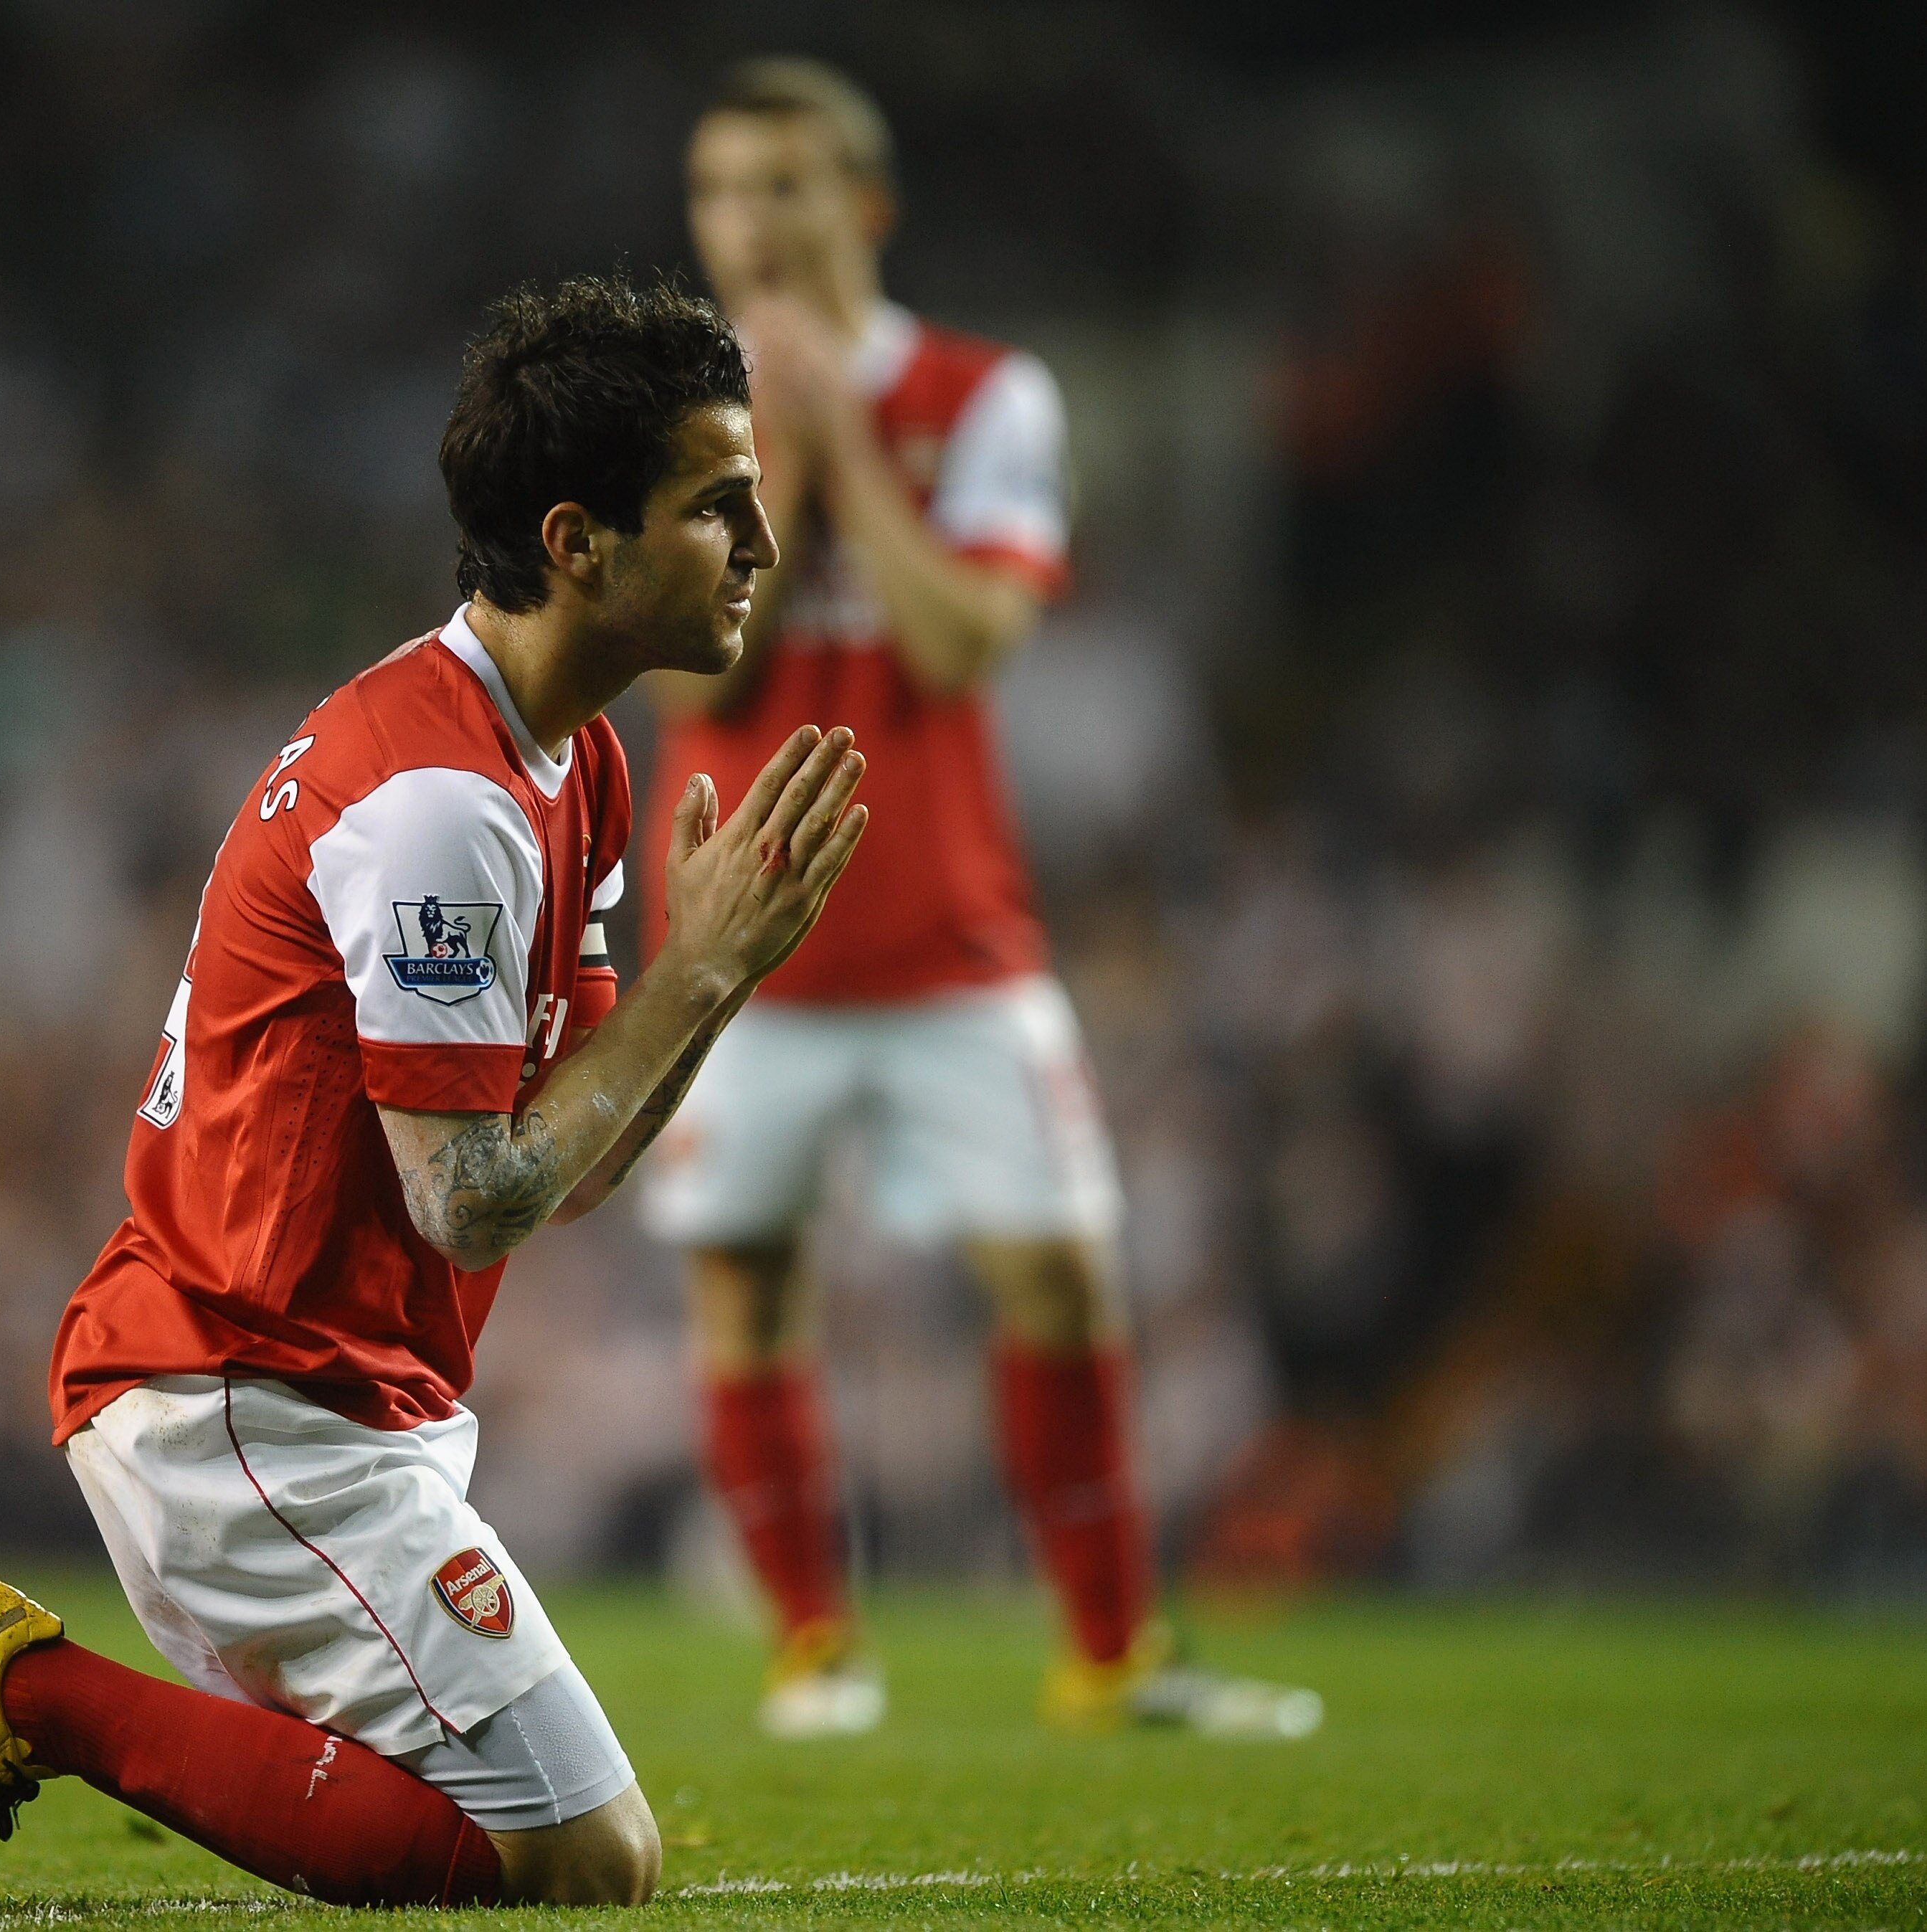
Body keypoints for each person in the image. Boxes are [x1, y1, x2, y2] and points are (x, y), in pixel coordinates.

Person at [0, 273, 868, 1911]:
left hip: (323, 1395)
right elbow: (471, 1201)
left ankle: (20, 1698)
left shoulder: (566, 757)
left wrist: (707, 984)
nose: (759, 544)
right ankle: (21, 1692)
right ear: (579, 539)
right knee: (589, 1863)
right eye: (717, 505)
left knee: (517, 1842)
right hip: (242, 1401)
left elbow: (569, 1157)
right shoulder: (441, 801)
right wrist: (702, 970)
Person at [639, 60, 1322, 1743]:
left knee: (1062, 1278)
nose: (753, 222)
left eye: (787, 185)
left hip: (951, 934)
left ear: (865, 206)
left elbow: (961, 644)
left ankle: (1109, 1656)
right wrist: (773, 450)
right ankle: (813, 1647)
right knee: (750, 1290)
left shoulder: (985, 394)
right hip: (738, 948)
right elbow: (699, 690)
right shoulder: (658, 410)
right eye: (724, 191)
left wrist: (844, 443)